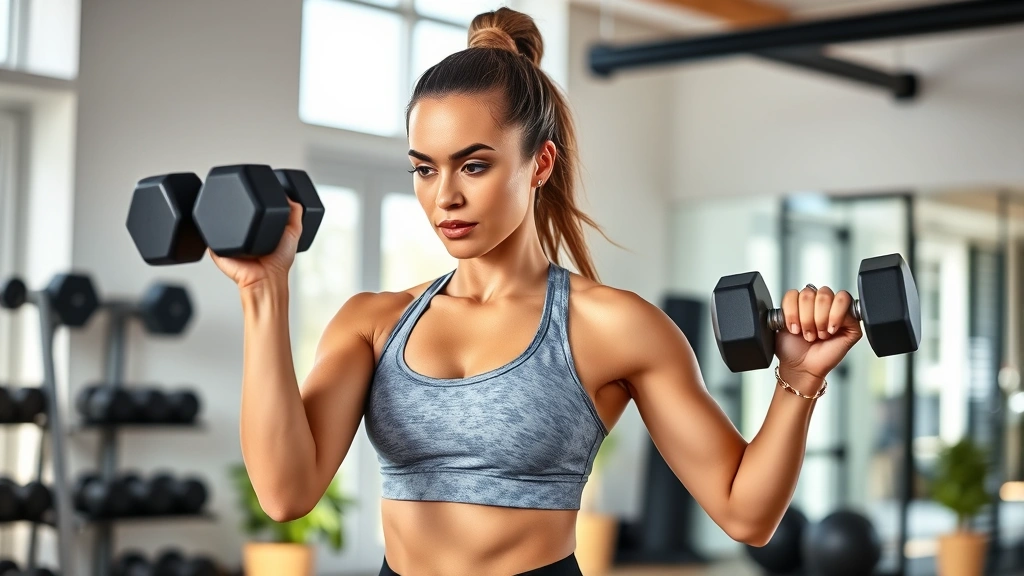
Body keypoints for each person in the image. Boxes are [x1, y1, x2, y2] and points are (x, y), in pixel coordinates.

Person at [211, 7, 862, 576]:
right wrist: (263, 292)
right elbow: (285, 493)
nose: (446, 197)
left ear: (539, 164)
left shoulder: (612, 326)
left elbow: (746, 515)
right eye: (424, 169)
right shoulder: (373, 322)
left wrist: (798, 377)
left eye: (474, 164)